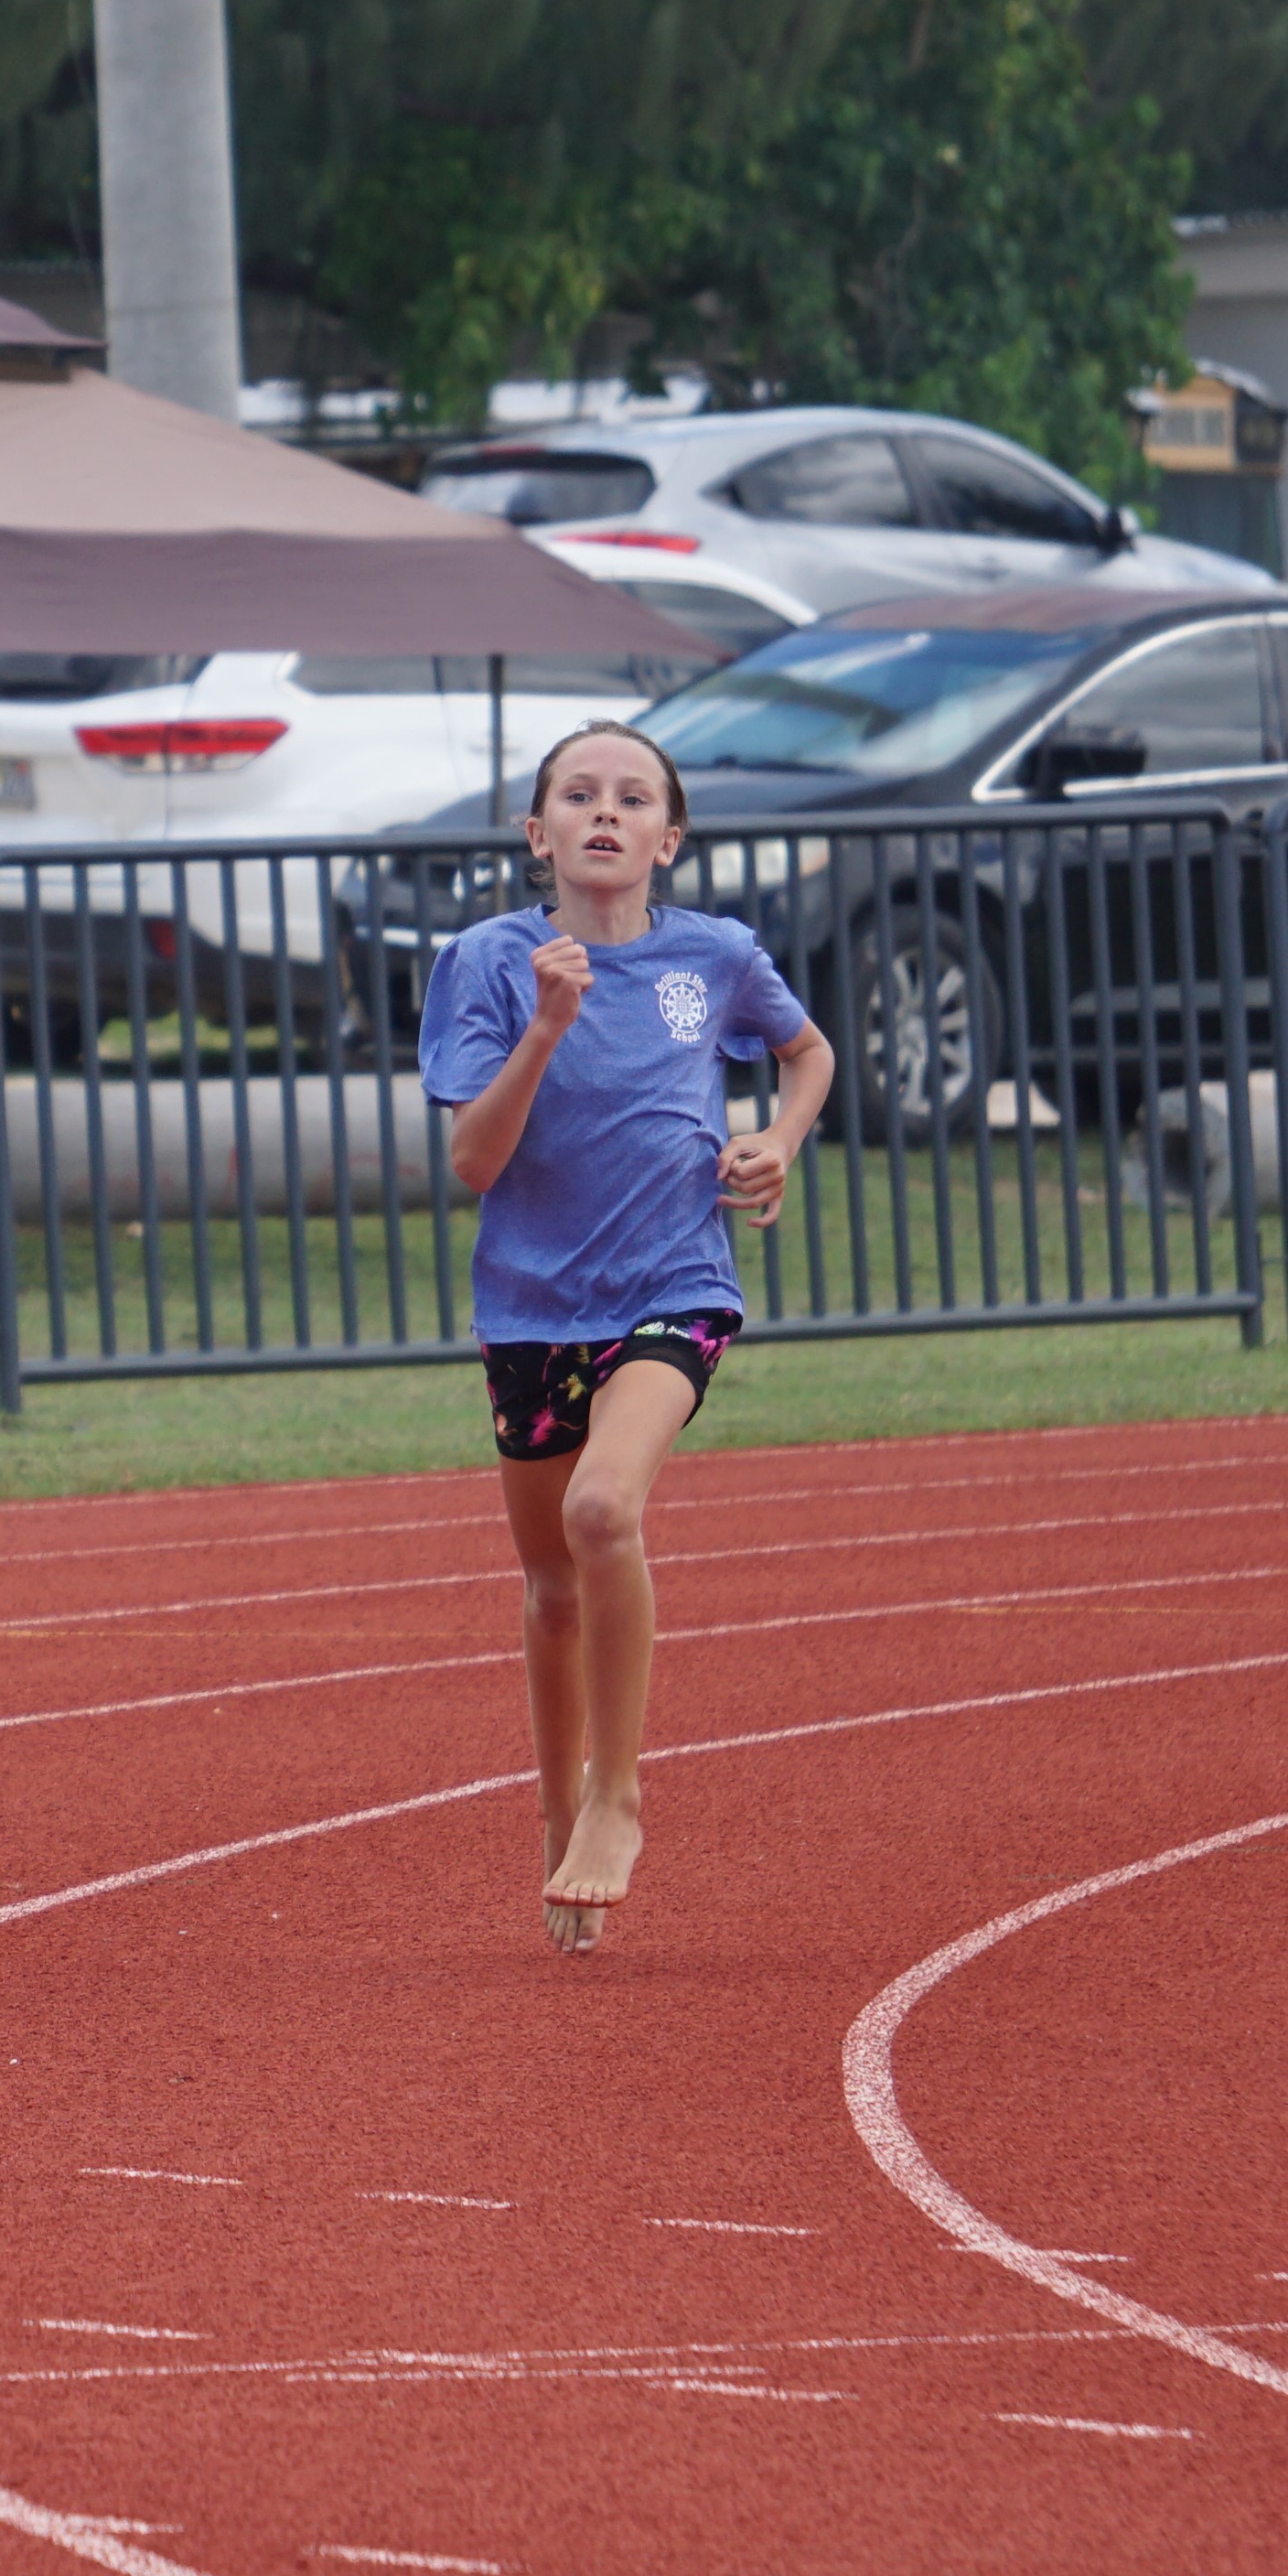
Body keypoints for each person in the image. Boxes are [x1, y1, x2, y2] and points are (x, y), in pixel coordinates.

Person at [423, 720, 834, 1953]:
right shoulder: (487, 963)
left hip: (673, 1283)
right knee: (549, 1584)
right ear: (535, 831)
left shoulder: (713, 957)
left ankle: (617, 1792)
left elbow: (804, 1051)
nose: (605, 812)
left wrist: (778, 1137)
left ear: (669, 834)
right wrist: (546, 1025)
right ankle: (557, 1809)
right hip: (529, 1306)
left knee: (602, 1510)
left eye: (632, 795)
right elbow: (470, 1160)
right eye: (577, 793)